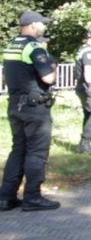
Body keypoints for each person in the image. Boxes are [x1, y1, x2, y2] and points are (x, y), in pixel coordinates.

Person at [0, 11, 60, 212]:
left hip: (15, 105)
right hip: (35, 108)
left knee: (18, 150)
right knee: (36, 152)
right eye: (42, 24)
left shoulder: (12, 45)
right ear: (33, 25)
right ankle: (33, 197)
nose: (44, 27)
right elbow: (49, 78)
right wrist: (53, 64)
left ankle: (6, 197)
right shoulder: (34, 47)